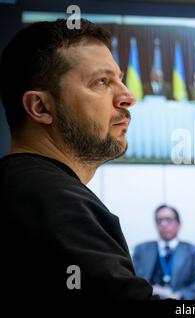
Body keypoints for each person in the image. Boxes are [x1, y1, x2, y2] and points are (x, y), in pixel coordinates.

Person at [0, 19, 155, 299]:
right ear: (40, 107)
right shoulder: (53, 201)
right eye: (102, 82)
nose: (127, 96)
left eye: (119, 79)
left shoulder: (21, 188)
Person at [133, 205, 195, 300]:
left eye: (169, 220)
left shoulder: (193, 251)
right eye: (159, 221)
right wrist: (149, 290)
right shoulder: (142, 250)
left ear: (178, 224)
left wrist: (179, 295)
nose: (163, 224)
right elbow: (132, 279)